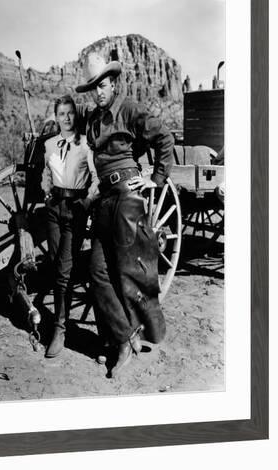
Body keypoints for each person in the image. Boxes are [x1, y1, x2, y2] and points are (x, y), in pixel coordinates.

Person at [75, 53, 174, 378]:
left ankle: (134, 340)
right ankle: (124, 337)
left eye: (102, 86)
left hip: (128, 198)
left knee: (131, 273)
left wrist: (155, 178)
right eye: (93, 88)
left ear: (113, 83)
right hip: (104, 200)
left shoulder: (128, 108)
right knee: (97, 272)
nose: (98, 92)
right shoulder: (92, 120)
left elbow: (163, 137)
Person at [41, 95, 99, 358]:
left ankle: (60, 329)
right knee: (54, 264)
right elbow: (46, 173)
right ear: (56, 116)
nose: (66, 117)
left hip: (75, 209)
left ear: (76, 116)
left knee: (64, 270)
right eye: (61, 113)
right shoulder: (50, 144)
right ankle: (59, 320)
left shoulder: (86, 145)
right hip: (54, 208)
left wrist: (86, 202)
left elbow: (96, 180)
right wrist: (45, 193)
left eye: (70, 113)